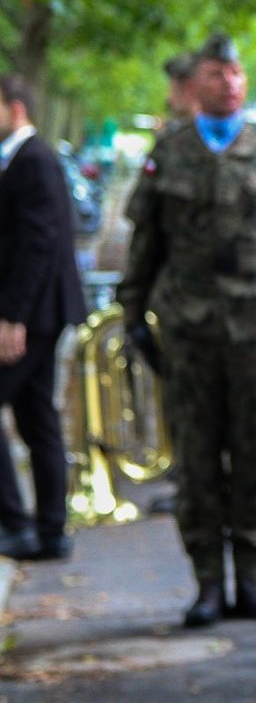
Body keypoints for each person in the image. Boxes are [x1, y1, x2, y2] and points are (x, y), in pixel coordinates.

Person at [118, 33, 256, 629]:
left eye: (235, 72)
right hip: (188, 331)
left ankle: (254, 573)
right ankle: (208, 580)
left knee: (254, 451)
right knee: (197, 454)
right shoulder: (171, 151)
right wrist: (134, 316)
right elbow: (146, 245)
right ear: (196, 85)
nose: (229, 82)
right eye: (216, 73)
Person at [0, 74, 83, 561]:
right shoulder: (21, 159)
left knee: (37, 420)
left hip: (34, 314)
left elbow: (38, 245)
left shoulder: (35, 161)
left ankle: (16, 523)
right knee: (36, 419)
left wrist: (12, 318)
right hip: (36, 312)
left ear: (15, 109)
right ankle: (50, 531)